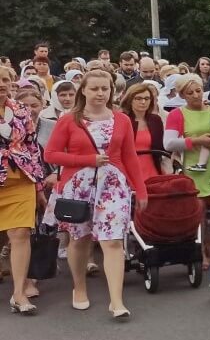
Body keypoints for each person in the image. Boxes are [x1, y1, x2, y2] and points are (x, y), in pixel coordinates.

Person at [44, 70, 148, 320]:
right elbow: (51, 154)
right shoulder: (69, 119)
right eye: (94, 88)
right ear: (84, 90)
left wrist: (141, 188)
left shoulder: (122, 119)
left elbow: (130, 156)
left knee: (113, 242)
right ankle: (79, 287)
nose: (100, 93)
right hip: (78, 185)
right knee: (80, 239)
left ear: (112, 90)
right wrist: (87, 159)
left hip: (113, 185)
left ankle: (116, 301)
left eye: (105, 88)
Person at [163, 74, 210, 270]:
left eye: (198, 91)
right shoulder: (177, 114)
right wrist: (198, 140)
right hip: (193, 170)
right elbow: (168, 143)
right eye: (190, 93)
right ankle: (201, 251)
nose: (196, 95)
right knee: (198, 212)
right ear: (182, 95)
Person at [0, 69, 46, 314]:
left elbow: (32, 148)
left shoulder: (21, 110)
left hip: (21, 181)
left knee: (20, 234)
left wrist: (39, 186)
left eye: (5, 79)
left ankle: (18, 294)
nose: (1, 84)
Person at [118, 84, 167, 181]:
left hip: (153, 169)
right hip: (127, 171)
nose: (143, 102)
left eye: (147, 98)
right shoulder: (121, 119)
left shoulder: (155, 120)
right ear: (130, 100)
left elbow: (161, 147)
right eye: (138, 98)